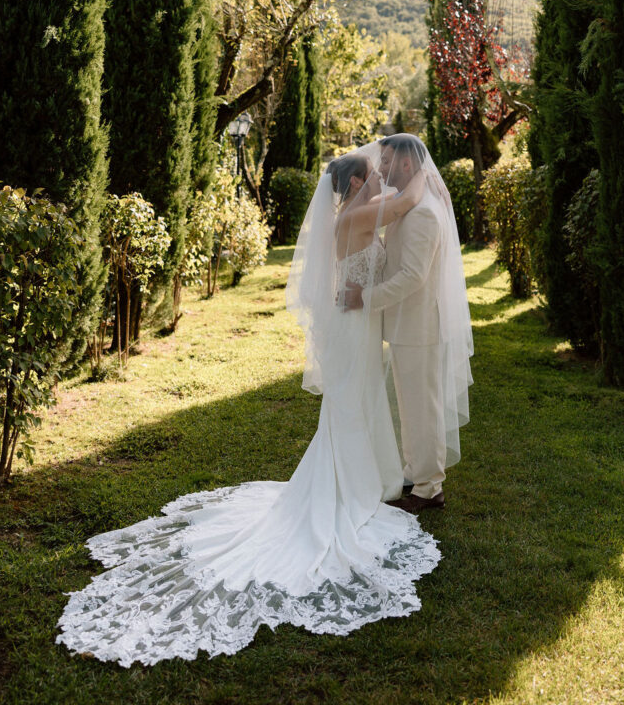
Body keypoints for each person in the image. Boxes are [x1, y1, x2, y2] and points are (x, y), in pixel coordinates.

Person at [56, 147, 443, 666]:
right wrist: (421, 168)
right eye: (373, 173)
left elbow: (394, 208)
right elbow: (403, 202)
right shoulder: (358, 214)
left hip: (361, 321)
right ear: (354, 187)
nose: (382, 177)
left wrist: (407, 174)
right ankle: (352, 485)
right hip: (355, 325)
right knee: (352, 406)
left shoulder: (355, 208)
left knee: (363, 402)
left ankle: (370, 478)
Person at [343, 134, 474, 514]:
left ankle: (430, 488)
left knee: (423, 409)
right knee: (411, 407)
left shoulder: (424, 213)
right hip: (406, 326)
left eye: (386, 161)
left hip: (420, 328)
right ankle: (415, 472)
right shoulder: (410, 204)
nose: (380, 168)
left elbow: (412, 277)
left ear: (405, 164)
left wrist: (365, 298)